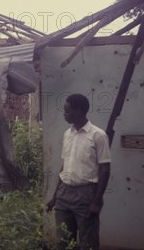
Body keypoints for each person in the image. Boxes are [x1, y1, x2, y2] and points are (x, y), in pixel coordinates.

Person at [46, 93, 111, 250]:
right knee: (63, 241)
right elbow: (65, 166)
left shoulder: (98, 135)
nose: (64, 114)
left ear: (79, 111)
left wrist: (96, 202)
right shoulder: (67, 134)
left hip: (85, 195)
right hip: (64, 194)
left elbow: (105, 170)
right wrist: (55, 196)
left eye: (67, 111)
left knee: (88, 243)